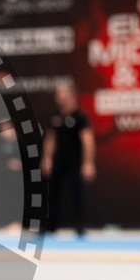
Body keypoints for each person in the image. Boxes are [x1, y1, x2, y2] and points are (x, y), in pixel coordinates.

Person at [41, 83, 95, 236]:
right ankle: (50, 226)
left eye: (62, 93)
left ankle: (79, 226)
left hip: (75, 163)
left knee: (77, 195)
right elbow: (51, 139)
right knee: (52, 194)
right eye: (58, 93)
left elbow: (87, 140)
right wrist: (47, 159)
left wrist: (88, 163)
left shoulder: (80, 116)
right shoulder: (56, 116)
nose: (58, 96)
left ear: (71, 95)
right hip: (59, 161)